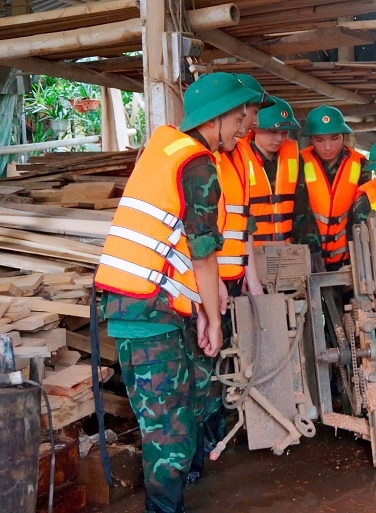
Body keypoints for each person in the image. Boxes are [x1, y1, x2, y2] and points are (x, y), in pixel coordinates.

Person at [94, 72, 261, 513]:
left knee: (179, 415)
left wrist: (205, 303)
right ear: (217, 117)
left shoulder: (166, 149)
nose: (243, 128)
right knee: (168, 430)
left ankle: (173, 496)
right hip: (148, 311)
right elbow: (203, 256)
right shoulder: (198, 164)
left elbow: (177, 246)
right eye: (239, 119)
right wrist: (214, 320)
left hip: (148, 305)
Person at [187, 73, 270, 485]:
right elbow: (203, 235)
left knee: (225, 363)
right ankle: (197, 457)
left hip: (233, 278)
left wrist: (251, 280)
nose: (249, 123)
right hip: (209, 281)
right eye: (246, 115)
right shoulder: (208, 157)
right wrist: (214, 283)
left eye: (248, 116)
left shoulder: (244, 158)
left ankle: (219, 440)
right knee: (204, 367)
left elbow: (243, 226)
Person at [296, 105, 369, 271]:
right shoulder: (299, 162)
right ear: (310, 139)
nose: (328, 147)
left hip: (349, 258)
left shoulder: (361, 163)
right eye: (320, 140)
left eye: (334, 139)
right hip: (306, 257)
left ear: (343, 136)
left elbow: (362, 215)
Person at [239, 94, 302, 245]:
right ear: (255, 127)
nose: (280, 139)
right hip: (250, 249)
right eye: (273, 131)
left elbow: (302, 209)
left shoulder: (294, 159)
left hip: (287, 249)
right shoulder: (238, 157)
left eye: (284, 132)